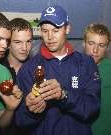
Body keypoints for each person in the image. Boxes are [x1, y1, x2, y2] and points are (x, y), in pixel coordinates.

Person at [15, 5, 101, 135]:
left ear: (67, 29)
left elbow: (92, 109)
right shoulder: (28, 68)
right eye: (45, 31)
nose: (50, 37)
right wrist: (32, 110)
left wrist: (64, 95)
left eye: (55, 30)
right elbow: (21, 121)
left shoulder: (86, 63)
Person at [0, 18, 33, 135]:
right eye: (18, 42)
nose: (24, 48)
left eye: (28, 41)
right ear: (8, 44)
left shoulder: (38, 70)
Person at [83, 23, 111, 135]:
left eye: (101, 45)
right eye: (91, 43)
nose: (95, 50)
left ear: (107, 47)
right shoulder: (71, 67)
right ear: (84, 43)